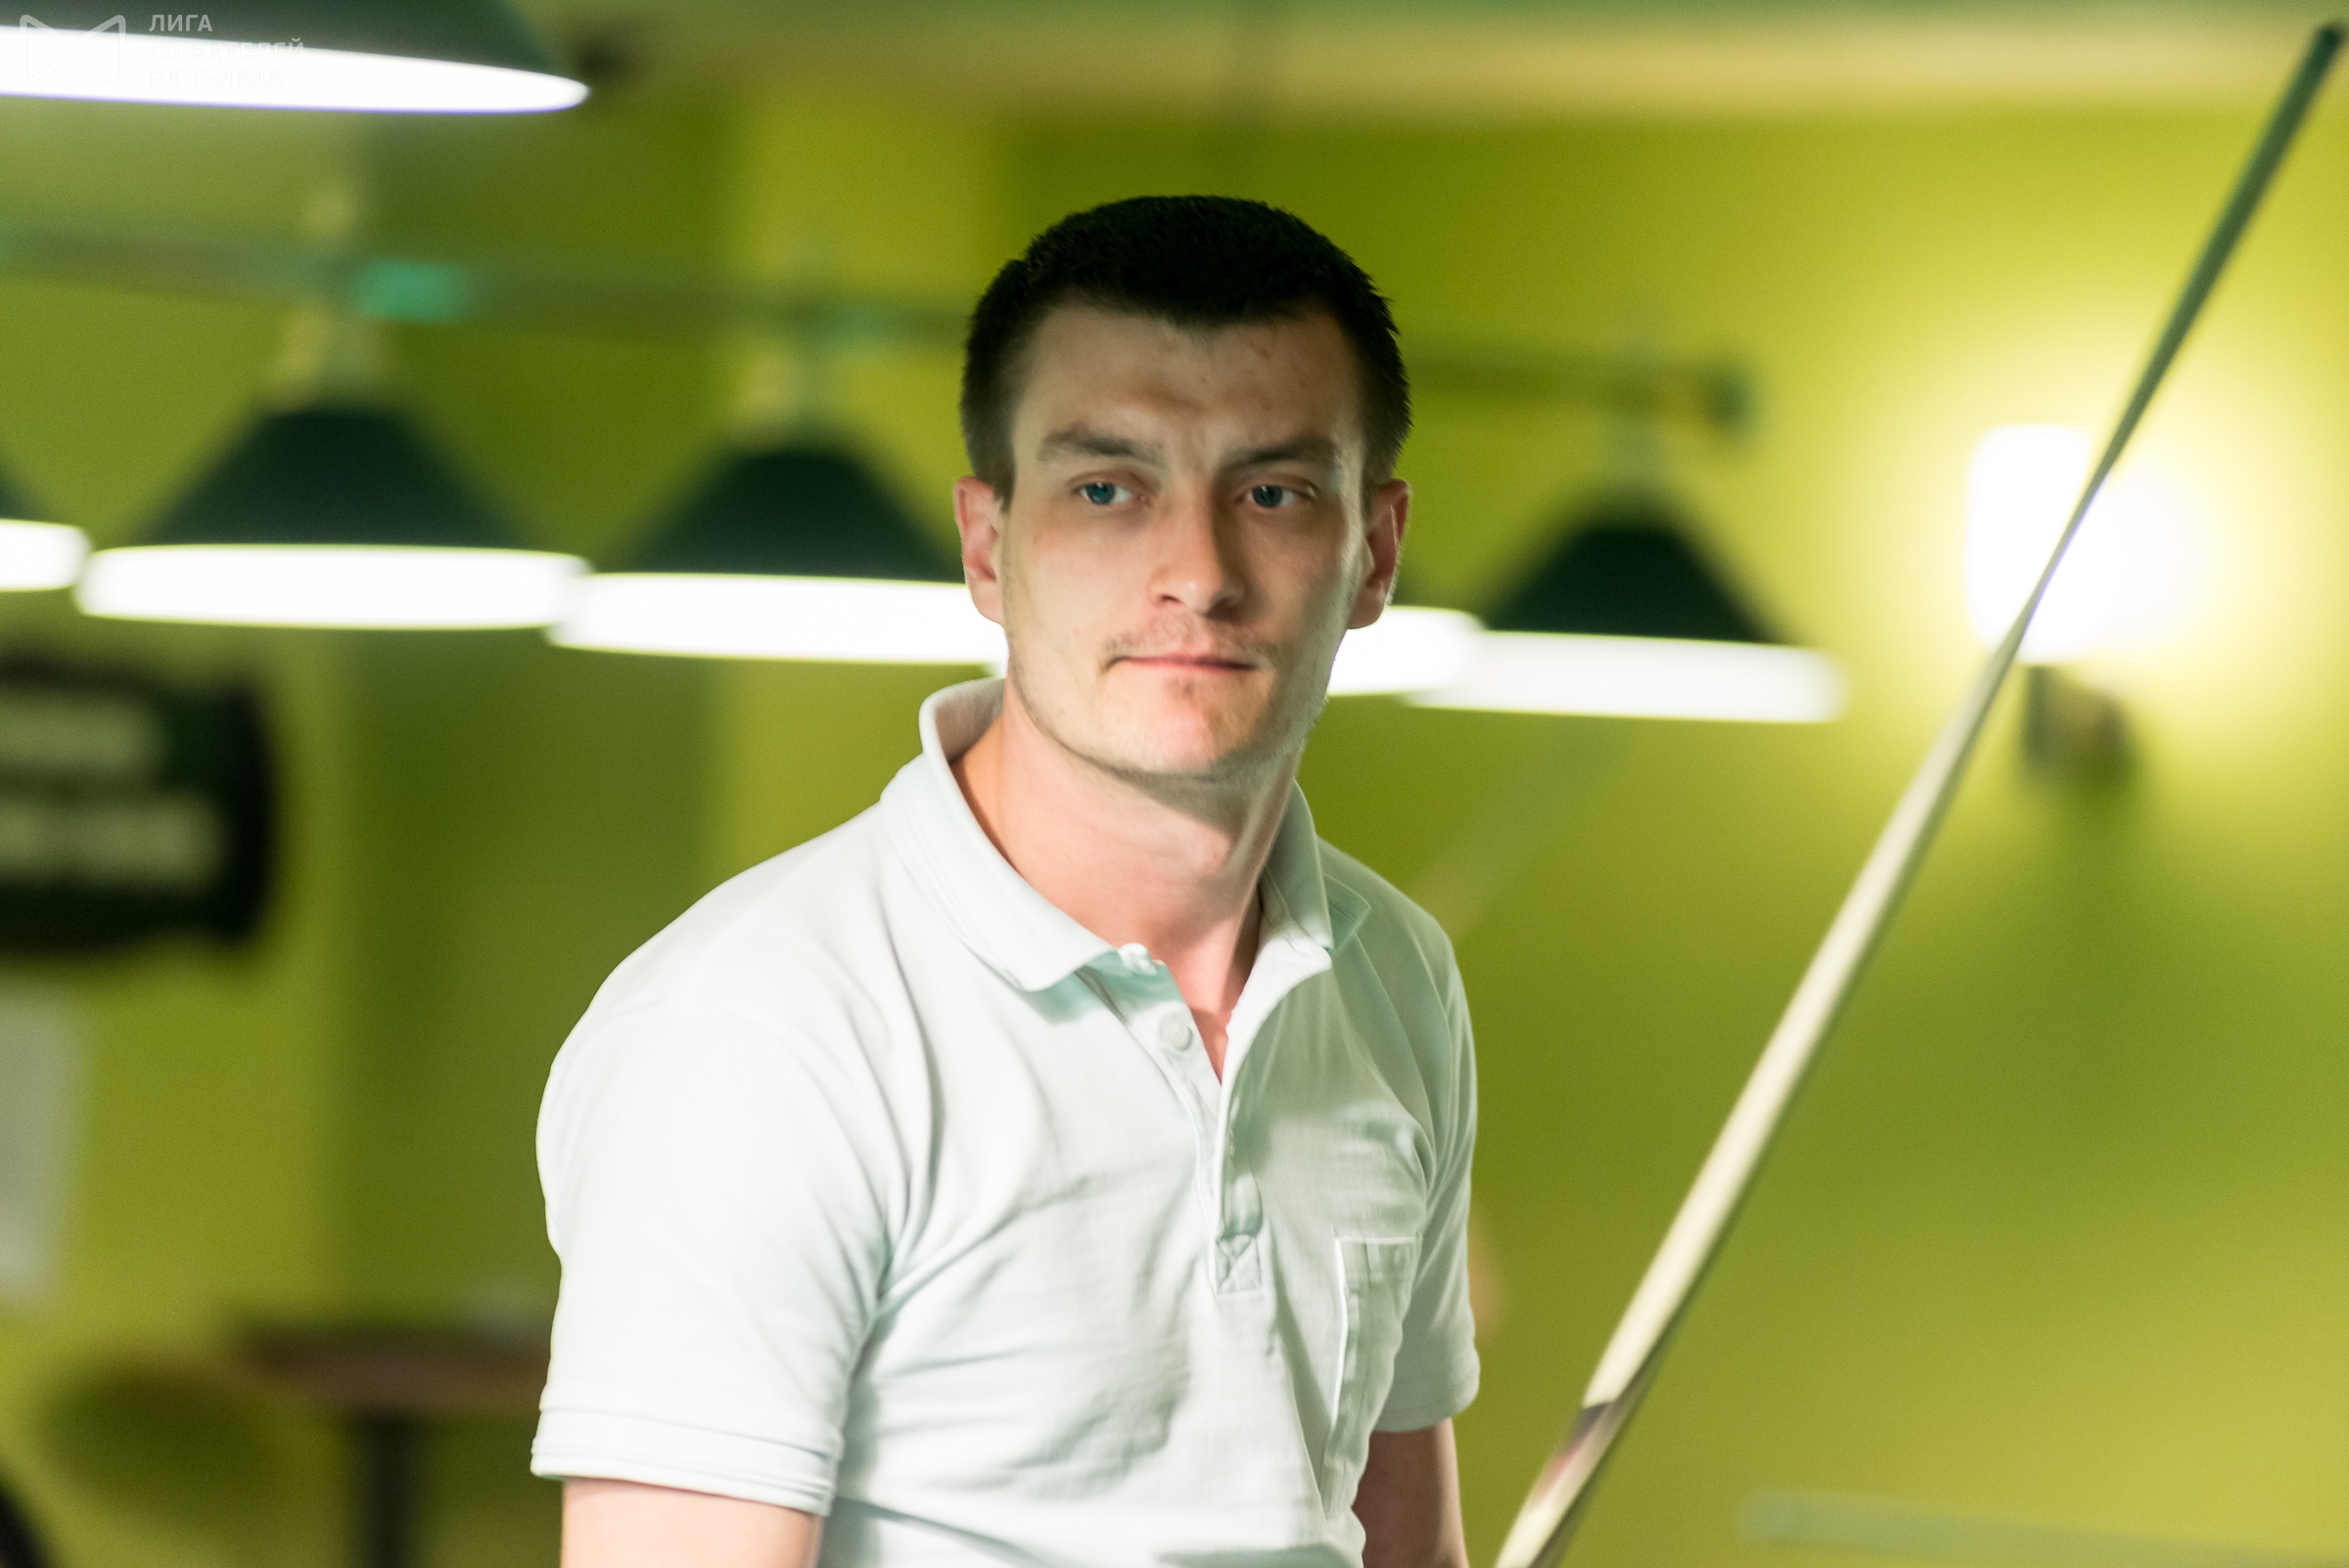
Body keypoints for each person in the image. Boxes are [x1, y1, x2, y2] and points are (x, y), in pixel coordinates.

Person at [532, 195, 1479, 1568]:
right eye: (1108, 490)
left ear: (1374, 553)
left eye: (1272, 493)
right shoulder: (759, 1026)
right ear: (987, 546)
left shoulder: (1398, 976)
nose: (1198, 574)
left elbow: (1404, 1540)